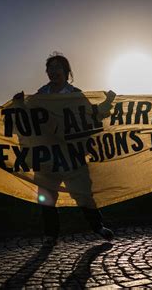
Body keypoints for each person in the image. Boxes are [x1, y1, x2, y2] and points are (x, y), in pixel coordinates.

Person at [15, 52, 114, 246]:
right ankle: (51, 234)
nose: (53, 71)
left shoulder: (75, 94)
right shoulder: (41, 95)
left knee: (83, 193)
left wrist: (108, 103)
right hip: (47, 155)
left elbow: (91, 116)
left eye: (58, 67)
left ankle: (98, 226)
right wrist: (19, 103)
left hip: (72, 154)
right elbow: (26, 118)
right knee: (46, 196)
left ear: (67, 71)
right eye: (50, 68)